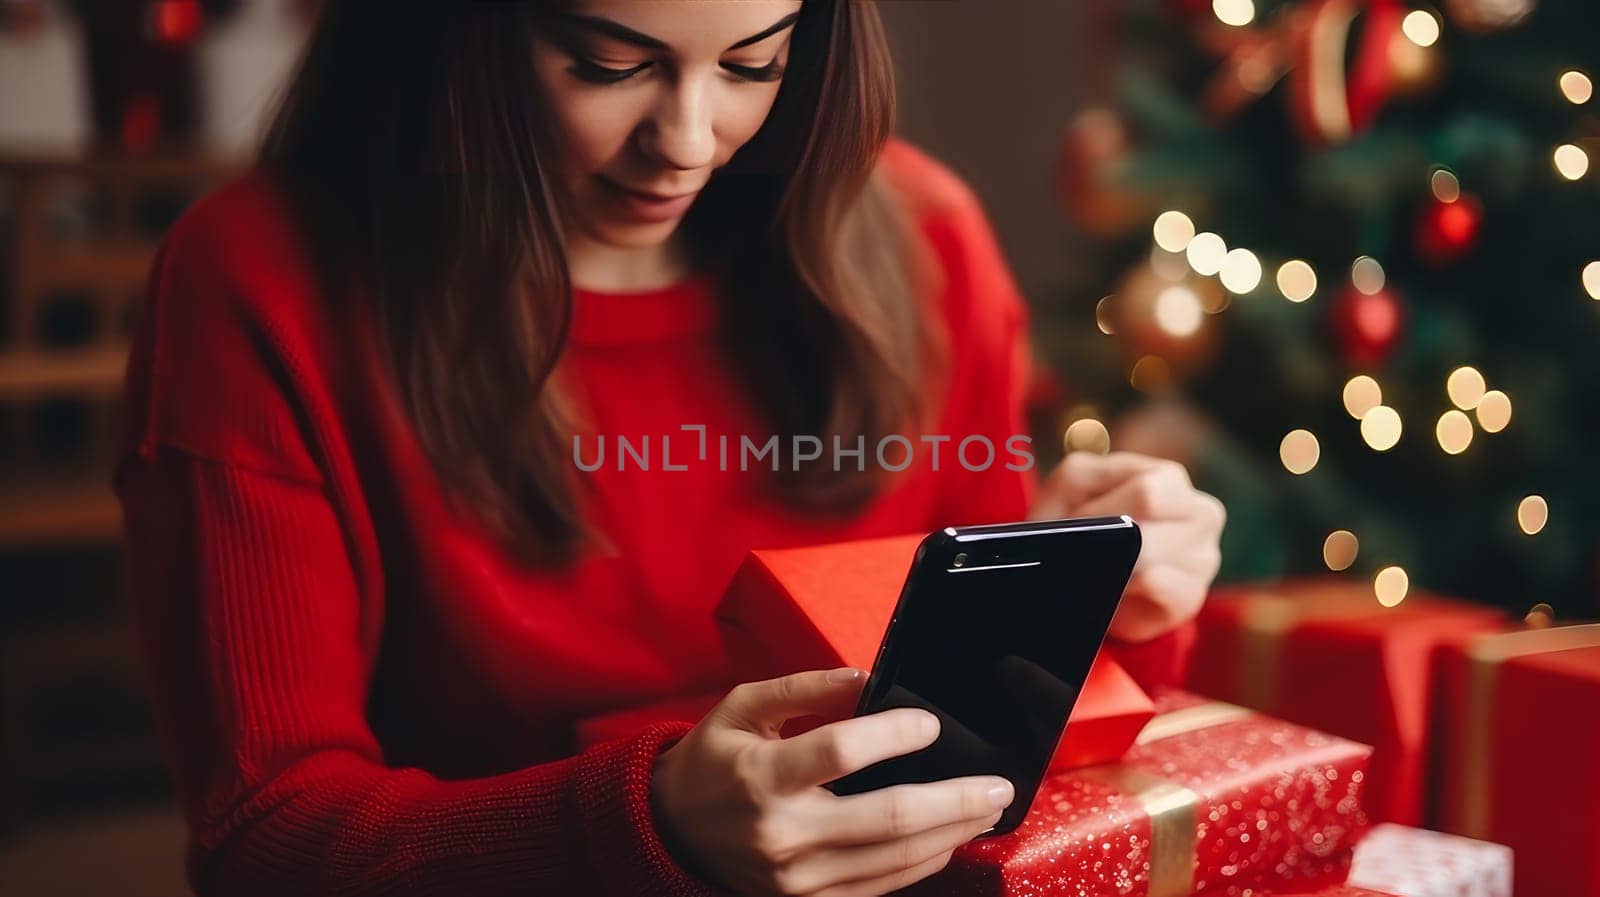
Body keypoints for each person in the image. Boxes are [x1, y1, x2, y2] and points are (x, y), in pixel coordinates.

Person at [113, 2, 1226, 896]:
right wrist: (643, 828)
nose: (688, 142)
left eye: (754, 63)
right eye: (606, 65)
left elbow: (1003, 743)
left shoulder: (924, 232)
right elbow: (262, 841)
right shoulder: (259, 281)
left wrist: (1114, 610)